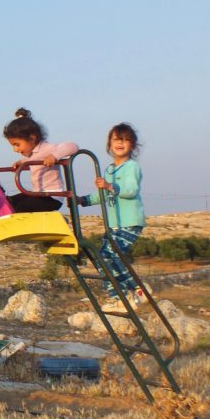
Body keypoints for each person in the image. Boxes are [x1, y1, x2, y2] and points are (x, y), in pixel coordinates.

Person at [78, 123, 146, 307]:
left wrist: (110, 186)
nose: (120, 143)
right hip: (114, 224)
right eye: (117, 139)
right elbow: (104, 195)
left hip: (130, 222)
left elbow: (131, 190)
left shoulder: (131, 167)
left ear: (132, 145)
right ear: (110, 143)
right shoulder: (109, 170)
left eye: (125, 140)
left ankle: (123, 296)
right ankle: (132, 292)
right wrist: (83, 200)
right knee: (103, 259)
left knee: (110, 257)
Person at [3, 108, 79, 212]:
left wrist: (54, 156)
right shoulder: (31, 155)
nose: (15, 149)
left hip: (52, 197)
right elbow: (30, 159)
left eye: (17, 144)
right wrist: (20, 163)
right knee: (10, 201)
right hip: (39, 194)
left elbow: (72, 146)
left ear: (32, 138)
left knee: (21, 208)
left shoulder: (47, 149)